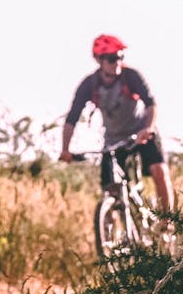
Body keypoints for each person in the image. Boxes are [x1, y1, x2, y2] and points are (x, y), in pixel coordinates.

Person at [59, 34, 173, 214]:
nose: (117, 62)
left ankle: (169, 220)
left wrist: (148, 128)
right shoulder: (89, 85)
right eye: (112, 59)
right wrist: (65, 149)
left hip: (141, 132)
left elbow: (151, 104)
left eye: (120, 57)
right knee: (109, 189)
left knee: (159, 170)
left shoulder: (131, 76)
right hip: (113, 140)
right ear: (99, 60)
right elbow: (71, 119)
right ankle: (108, 234)